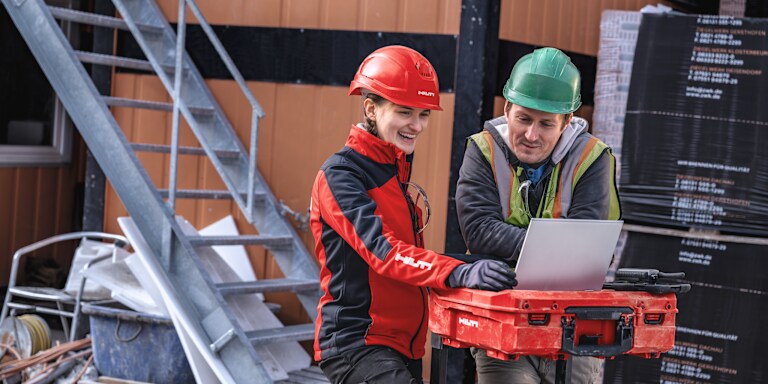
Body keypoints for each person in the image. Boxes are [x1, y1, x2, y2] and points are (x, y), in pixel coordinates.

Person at [310, 45, 518, 384]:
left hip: (403, 347)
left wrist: (472, 266)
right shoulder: (341, 175)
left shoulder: (395, 172)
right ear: (371, 109)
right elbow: (385, 252)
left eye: (424, 115)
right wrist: (458, 272)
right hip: (357, 345)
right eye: (405, 112)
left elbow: (412, 258)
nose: (417, 125)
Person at [455, 47, 621, 383]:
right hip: (503, 321)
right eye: (524, 119)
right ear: (507, 109)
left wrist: (519, 246)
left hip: (575, 326)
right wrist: (556, 249)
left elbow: (587, 243)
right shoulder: (482, 150)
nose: (532, 135)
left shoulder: (593, 158)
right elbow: (478, 230)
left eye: (546, 124)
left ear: (568, 121)